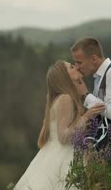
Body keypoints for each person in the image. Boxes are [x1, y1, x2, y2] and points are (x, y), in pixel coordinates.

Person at [14, 61, 105, 190]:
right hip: (63, 157)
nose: (76, 67)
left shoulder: (61, 98)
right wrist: (87, 116)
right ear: (65, 77)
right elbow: (63, 136)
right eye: (71, 67)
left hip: (52, 155)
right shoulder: (66, 99)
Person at [70, 37, 111, 149]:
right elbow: (104, 113)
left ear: (94, 59)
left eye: (79, 62)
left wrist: (86, 95)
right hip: (105, 148)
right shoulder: (98, 78)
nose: (76, 67)